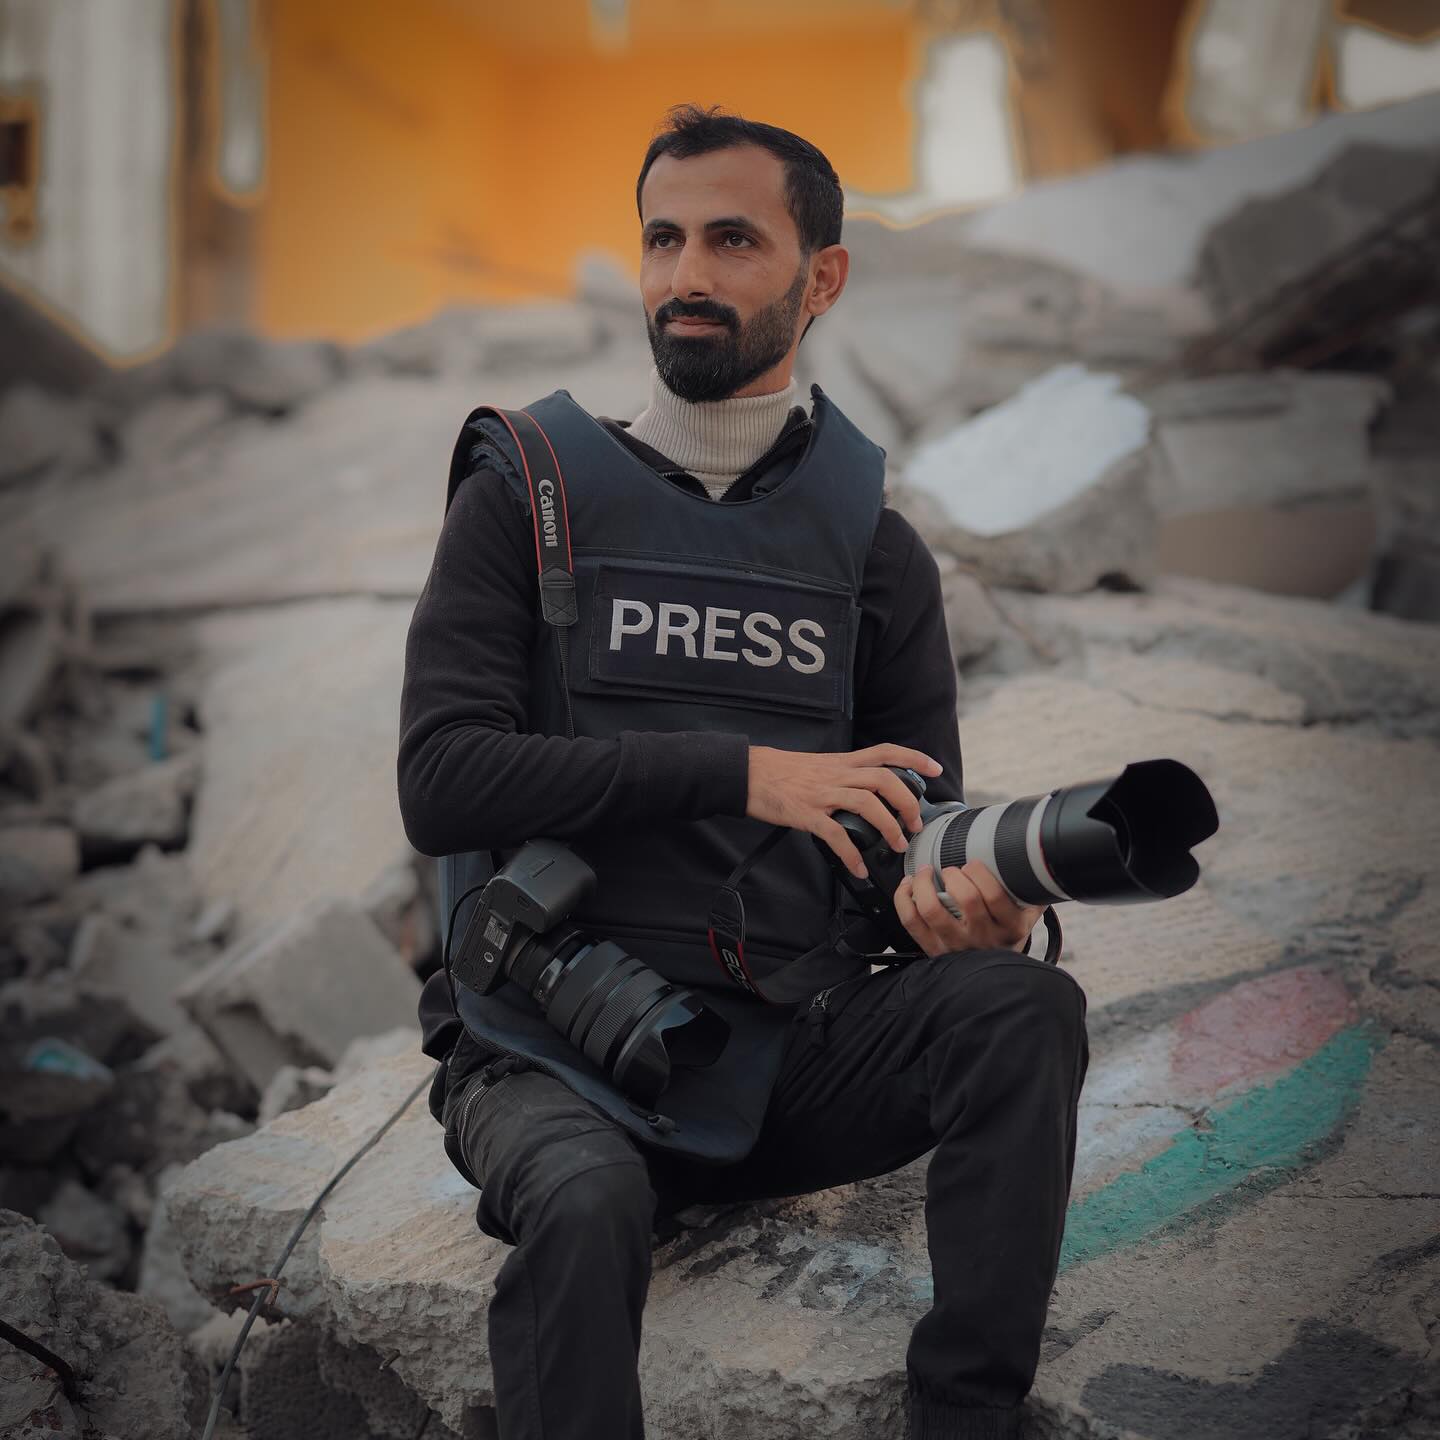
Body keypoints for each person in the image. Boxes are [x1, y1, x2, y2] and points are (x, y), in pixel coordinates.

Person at [397, 104, 1089, 1440]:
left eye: (732, 240)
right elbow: (442, 780)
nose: (686, 275)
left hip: (788, 1055)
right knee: (586, 1203)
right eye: (662, 240)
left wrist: (964, 909)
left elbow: (906, 833)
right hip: (549, 1052)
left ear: (822, 278)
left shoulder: (875, 551)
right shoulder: (523, 493)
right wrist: (740, 773)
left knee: (1022, 1009)